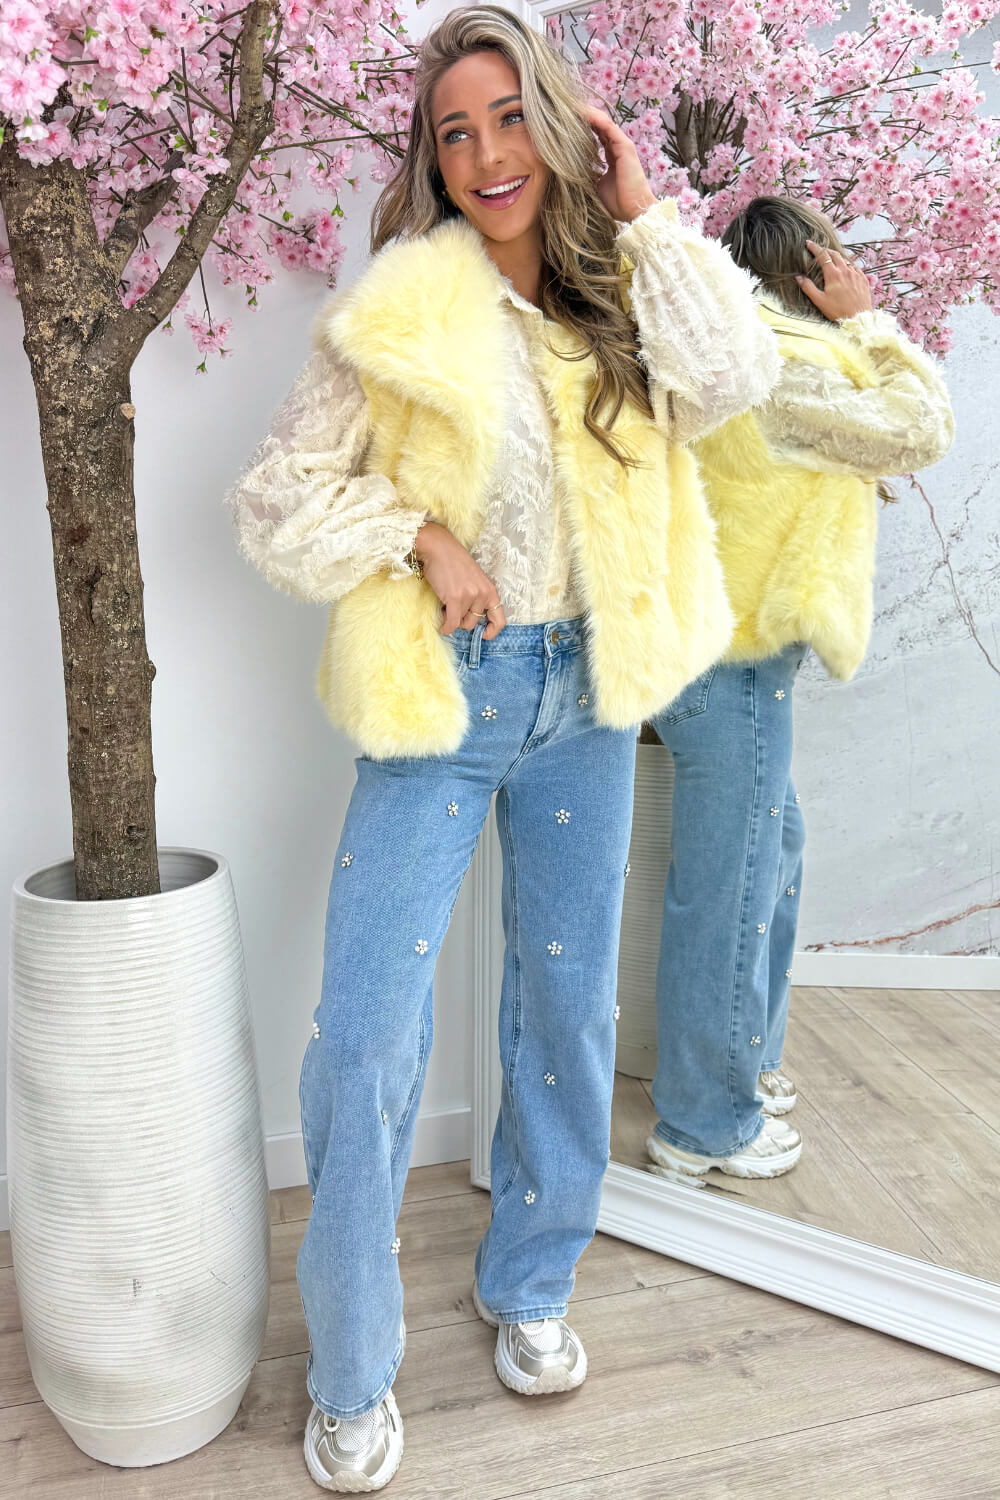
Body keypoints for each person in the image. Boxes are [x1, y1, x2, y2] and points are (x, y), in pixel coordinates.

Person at [226, 7, 780, 1490]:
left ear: (562, 124)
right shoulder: (405, 310)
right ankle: (352, 1369)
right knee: (367, 1037)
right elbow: (277, 493)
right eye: (453, 131)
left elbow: (734, 378)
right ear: (432, 157)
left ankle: (532, 1282)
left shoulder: (622, 299)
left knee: (568, 1009)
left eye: (509, 117)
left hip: (591, 696)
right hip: (449, 697)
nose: (483, 155)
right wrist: (422, 536)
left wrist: (645, 211)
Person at [644, 195, 955, 1189]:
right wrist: (869, 322)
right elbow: (922, 426)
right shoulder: (785, 361)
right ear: (812, 273)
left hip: (717, 648)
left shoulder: (726, 355)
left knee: (768, 857)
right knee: (731, 887)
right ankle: (704, 1122)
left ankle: (743, 1063)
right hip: (731, 657)